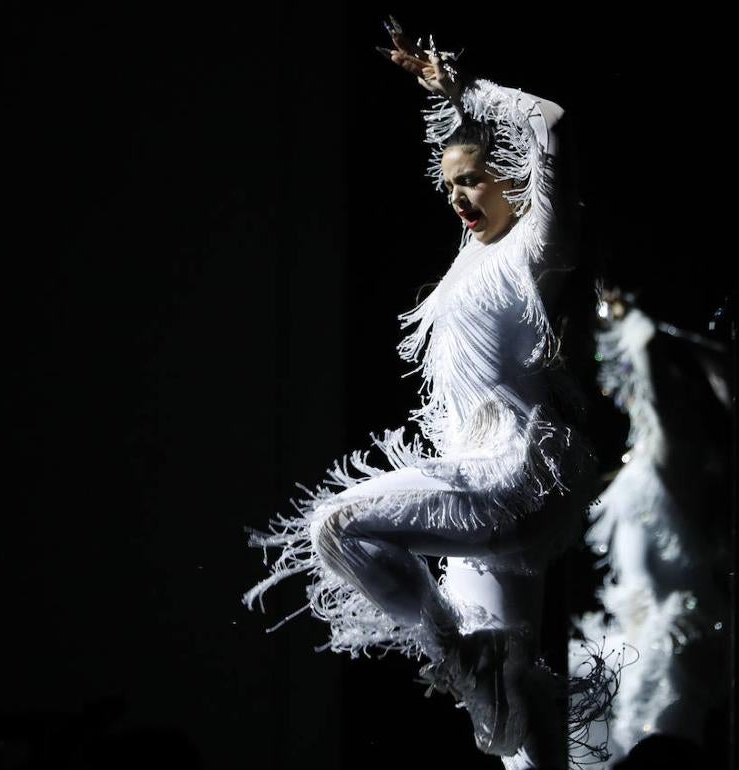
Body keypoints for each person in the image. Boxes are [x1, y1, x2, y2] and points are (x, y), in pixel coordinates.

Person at [243, 17, 601, 769]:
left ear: (511, 175)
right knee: (515, 721)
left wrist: (474, 89)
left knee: (338, 528)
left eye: (473, 180)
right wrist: (447, 99)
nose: (460, 198)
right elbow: (466, 141)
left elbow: (552, 125)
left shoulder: (537, 247)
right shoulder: (473, 248)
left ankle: (460, 657)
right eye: (449, 186)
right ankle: (480, 667)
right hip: (478, 481)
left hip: (509, 482)